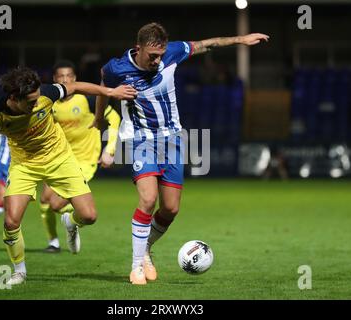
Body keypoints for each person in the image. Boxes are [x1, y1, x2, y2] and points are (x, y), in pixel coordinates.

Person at [92, 22, 269, 285]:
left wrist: (240, 39)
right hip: (140, 139)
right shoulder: (117, 67)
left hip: (172, 139)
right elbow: (104, 84)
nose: (157, 60)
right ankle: (135, 266)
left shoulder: (172, 53)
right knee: (148, 199)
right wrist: (99, 117)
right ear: (137, 48)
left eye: (161, 55)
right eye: (152, 56)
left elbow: (207, 44)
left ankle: (146, 249)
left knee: (171, 208)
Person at [0, 66, 136, 286]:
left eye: (37, 98)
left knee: (89, 216)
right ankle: (19, 271)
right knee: (11, 221)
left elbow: (75, 86)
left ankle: (70, 221)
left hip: (60, 159)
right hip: (25, 165)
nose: (37, 103)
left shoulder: (46, 93)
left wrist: (110, 93)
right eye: (30, 102)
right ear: (14, 98)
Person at [39, 60, 121, 253]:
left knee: (57, 204)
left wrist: (109, 149)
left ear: (75, 79)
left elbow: (114, 117)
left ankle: (73, 221)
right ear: (54, 80)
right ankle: (53, 243)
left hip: (85, 160)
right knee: (44, 201)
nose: (65, 79)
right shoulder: (50, 104)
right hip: (60, 159)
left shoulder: (87, 100)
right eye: (61, 76)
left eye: (69, 76)